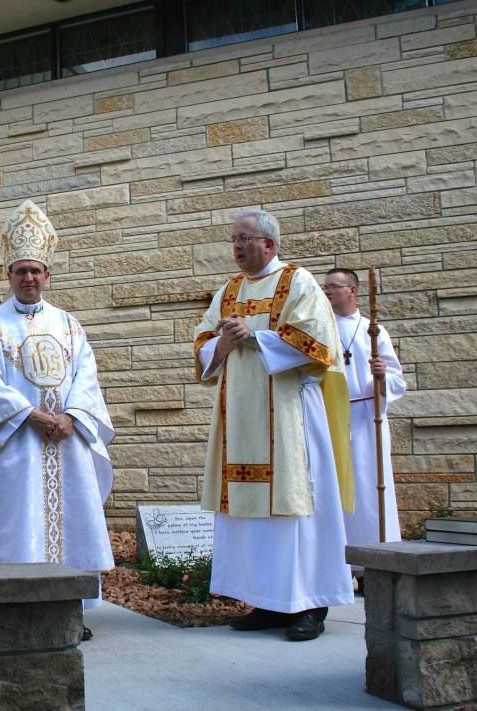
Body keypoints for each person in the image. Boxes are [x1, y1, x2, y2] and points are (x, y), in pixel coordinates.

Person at [0, 200, 114, 641]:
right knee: (23, 526)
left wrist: (72, 416)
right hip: (19, 445)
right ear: (9, 275)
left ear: (47, 275)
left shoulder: (69, 325)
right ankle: (23, 612)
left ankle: (71, 613)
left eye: (36, 271)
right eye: (21, 271)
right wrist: (29, 414)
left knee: (72, 528)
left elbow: (86, 375)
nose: (29, 278)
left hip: (68, 442)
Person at [193, 207, 355, 641]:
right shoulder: (229, 290)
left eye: (244, 238)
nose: (237, 246)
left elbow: (319, 345)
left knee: (297, 511)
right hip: (239, 418)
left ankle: (310, 604)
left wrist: (256, 336)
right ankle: (267, 601)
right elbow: (203, 343)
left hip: (290, 414)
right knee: (252, 518)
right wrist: (222, 343)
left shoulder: (298, 283)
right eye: (234, 239)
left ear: (269, 243)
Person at [323, 268, 406, 553]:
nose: (327, 291)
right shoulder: (321, 330)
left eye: (334, 286)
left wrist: (381, 375)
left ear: (353, 290)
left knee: (371, 486)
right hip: (332, 417)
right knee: (335, 487)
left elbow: (396, 380)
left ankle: (377, 553)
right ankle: (340, 556)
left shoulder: (374, 331)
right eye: (325, 287)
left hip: (367, 417)